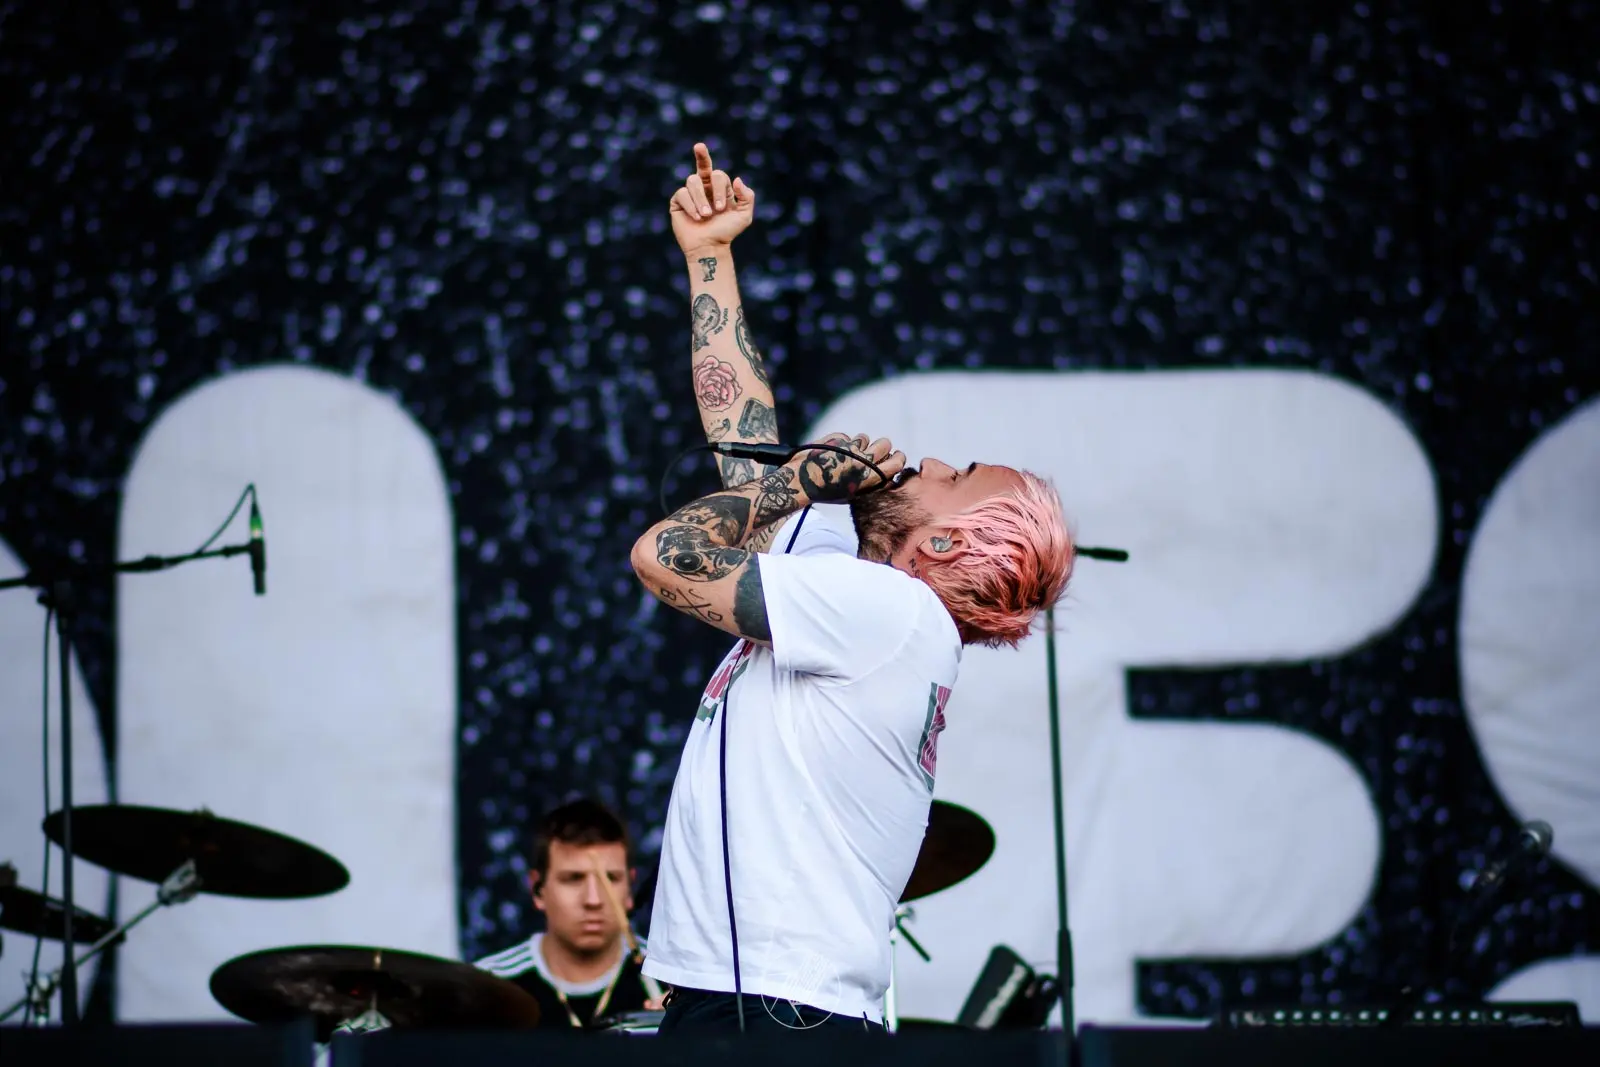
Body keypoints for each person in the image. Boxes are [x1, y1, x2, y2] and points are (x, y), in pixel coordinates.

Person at [629, 144, 1076, 1035]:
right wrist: (711, 257)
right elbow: (745, 451)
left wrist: (801, 481)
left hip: (777, 1017)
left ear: (943, 542)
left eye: (958, 475)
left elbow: (663, 556)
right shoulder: (859, 590)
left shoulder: (893, 613)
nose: (932, 460)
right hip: (763, 1007)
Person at [474, 798, 663, 1029]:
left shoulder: (673, 985)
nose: (593, 900)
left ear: (630, 888)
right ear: (537, 889)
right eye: (573, 879)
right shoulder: (485, 988)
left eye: (611, 879)